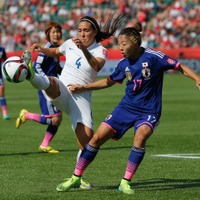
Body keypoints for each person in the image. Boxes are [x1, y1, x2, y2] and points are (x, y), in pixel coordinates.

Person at [55, 23, 200, 194]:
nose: (120, 48)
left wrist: (196, 78)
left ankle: (125, 182)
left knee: (140, 136)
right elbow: (108, 82)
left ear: (135, 42)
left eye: (123, 44)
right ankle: (75, 177)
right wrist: (84, 87)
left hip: (149, 111)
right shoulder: (123, 64)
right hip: (125, 108)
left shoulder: (153, 57)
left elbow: (179, 66)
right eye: (119, 44)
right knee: (96, 139)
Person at [22, 14, 124, 189]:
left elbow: (97, 66)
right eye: (80, 30)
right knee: (52, 81)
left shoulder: (100, 50)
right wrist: (41, 49)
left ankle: (77, 177)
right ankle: (31, 75)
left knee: (88, 145)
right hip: (63, 89)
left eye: (86, 31)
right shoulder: (70, 43)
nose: (82, 34)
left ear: (94, 32)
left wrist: (83, 50)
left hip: (81, 97)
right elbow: (55, 51)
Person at [15, 21, 63, 153]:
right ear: (48, 34)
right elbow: (36, 66)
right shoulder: (46, 49)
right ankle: (27, 115)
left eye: (58, 31)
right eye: (53, 32)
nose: (56, 34)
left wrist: (64, 72)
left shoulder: (54, 49)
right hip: (47, 88)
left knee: (58, 118)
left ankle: (44, 145)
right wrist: (45, 80)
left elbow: (55, 67)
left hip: (55, 87)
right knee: (54, 119)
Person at [0, 44, 9, 120]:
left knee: (1, 92)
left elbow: (5, 60)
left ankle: (5, 113)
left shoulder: (2, 49)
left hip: (0, 75)